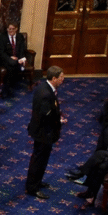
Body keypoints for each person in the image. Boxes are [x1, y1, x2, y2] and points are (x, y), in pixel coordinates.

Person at [25, 66, 66, 199]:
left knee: (42, 159)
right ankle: (32, 187)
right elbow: (45, 115)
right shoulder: (45, 94)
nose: (63, 80)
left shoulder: (46, 88)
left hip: (44, 132)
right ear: (53, 78)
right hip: (43, 133)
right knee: (39, 159)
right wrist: (59, 119)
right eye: (61, 77)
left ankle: (37, 181)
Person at [0, 23, 28, 97]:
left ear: (16, 29)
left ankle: (6, 89)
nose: (11, 31)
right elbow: (1, 53)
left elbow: (22, 50)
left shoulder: (20, 37)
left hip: (16, 59)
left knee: (12, 66)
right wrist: (11, 57)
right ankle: (8, 88)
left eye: (12, 29)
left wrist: (20, 59)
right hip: (6, 58)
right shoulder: (2, 37)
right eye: (9, 29)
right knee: (12, 63)